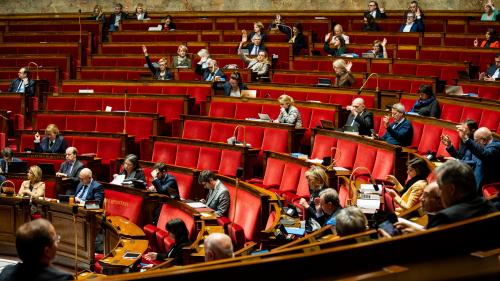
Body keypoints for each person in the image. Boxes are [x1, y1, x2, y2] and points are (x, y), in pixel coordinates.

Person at [0, 219, 73, 281]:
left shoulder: (6, 273)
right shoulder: (62, 278)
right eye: (55, 239)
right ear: (47, 251)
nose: (57, 242)